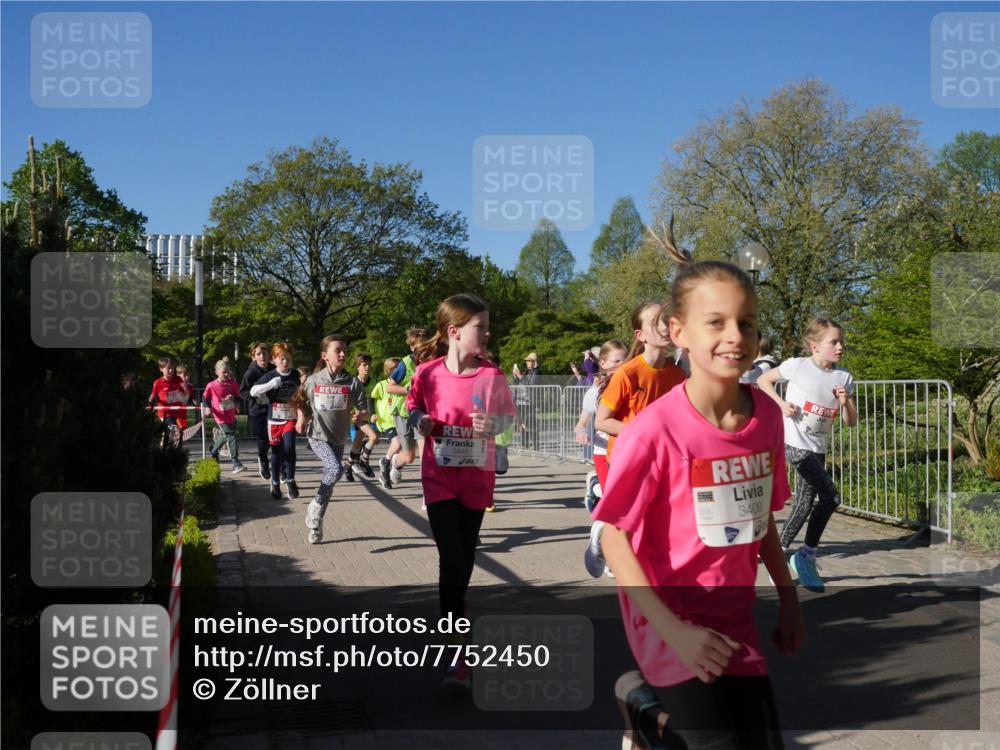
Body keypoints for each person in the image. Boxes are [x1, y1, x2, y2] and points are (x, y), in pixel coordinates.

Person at [597, 260, 804, 750]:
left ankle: (646, 711)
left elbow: (761, 519)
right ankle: (643, 704)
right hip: (667, 617)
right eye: (716, 322)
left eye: (746, 322)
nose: (735, 335)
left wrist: (789, 598)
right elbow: (613, 535)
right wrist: (673, 630)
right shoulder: (654, 431)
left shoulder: (767, 418)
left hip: (734, 615)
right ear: (678, 332)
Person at [406, 294, 515, 691]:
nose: (486, 333)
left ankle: (458, 611)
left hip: (476, 480)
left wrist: (494, 426)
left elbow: (507, 423)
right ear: (455, 332)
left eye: (486, 327)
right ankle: (457, 652)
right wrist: (421, 421)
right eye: (479, 327)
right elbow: (412, 407)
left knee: (464, 559)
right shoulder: (428, 373)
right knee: (450, 558)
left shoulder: (492, 376)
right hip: (439, 477)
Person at [756, 319, 857, 593]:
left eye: (841, 342)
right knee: (831, 497)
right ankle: (806, 556)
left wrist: (846, 402)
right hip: (793, 444)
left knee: (802, 503)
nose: (840, 347)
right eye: (833, 342)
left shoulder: (844, 377)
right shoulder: (797, 366)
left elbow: (851, 422)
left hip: (817, 447)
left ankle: (778, 557)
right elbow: (763, 380)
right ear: (815, 346)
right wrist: (780, 404)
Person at [587, 303, 686, 578]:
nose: (665, 326)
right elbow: (601, 421)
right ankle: (603, 537)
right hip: (626, 460)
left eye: (666, 319)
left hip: (660, 462)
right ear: (640, 335)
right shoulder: (628, 373)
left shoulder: (677, 374)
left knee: (656, 530)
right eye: (656, 322)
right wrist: (640, 432)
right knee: (629, 527)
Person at [295, 335, 370, 544]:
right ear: (325, 355)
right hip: (318, 436)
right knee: (335, 469)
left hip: (338, 439)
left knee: (330, 480)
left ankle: (316, 524)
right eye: (338, 350)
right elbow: (299, 401)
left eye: (345, 350)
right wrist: (301, 419)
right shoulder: (314, 380)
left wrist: (361, 415)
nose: (343, 354)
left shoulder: (352, 383)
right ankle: (315, 507)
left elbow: (365, 409)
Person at [573, 339, 628, 514]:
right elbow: (581, 423)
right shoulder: (595, 392)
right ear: (603, 363)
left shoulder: (634, 386)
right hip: (604, 451)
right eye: (617, 361)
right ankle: (596, 486)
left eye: (626, 360)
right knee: (612, 497)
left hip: (628, 449)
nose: (622, 365)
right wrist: (581, 432)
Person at [250, 343, 302, 500]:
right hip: (274, 420)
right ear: (274, 360)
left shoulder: (295, 375)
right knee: (277, 452)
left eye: (288, 359)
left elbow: (301, 395)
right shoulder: (270, 375)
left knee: (289, 446)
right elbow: (253, 391)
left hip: (290, 418)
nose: (285, 362)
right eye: (281, 359)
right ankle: (274, 483)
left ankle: (291, 480)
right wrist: (271, 385)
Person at [381, 327, 431, 489]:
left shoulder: (433, 362)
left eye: (425, 345)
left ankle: (427, 494)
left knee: (426, 455)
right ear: (412, 347)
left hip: (422, 413)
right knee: (409, 457)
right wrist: (408, 390)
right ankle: (395, 462)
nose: (423, 349)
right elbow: (389, 388)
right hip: (403, 413)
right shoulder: (405, 363)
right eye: (419, 346)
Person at [202, 360, 245, 473]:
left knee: (225, 435)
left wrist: (235, 401)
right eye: (224, 372)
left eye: (228, 372)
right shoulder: (211, 385)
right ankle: (235, 462)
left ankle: (214, 450)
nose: (226, 374)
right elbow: (205, 398)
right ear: (217, 372)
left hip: (230, 413)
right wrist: (207, 407)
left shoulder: (233, 384)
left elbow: (238, 396)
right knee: (231, 435)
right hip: (219, 416)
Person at [342, 353, 379, 482]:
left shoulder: (373, 382)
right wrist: (353, 414)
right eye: (364, 365)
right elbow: (347, 401)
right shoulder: (352, 382)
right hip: (357, 417)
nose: (367, 367)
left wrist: (375, 413)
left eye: (369, 365)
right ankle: (364, 461)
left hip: (368, 416)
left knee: (357, 444)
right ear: (357, 366)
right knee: (373, 437)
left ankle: (347, 466)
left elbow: (375, 399)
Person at [240, 343, 275, 481]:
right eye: (259, 354)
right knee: (263, 439)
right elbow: (243, 392)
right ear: (253, 356)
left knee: (277, 439)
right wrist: (256, 394)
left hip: (273, 409)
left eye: (265, 353)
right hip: (258, 410)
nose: (262, 357)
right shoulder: (251, 372)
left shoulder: (273, 369)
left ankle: (282, 466)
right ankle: (263, 459)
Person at [370, 358, 403, 489]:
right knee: (397, 443)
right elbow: (371, 398)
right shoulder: (382, 385)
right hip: (387, 421)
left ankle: (393, 466)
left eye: (400, 369)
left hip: (402, 420)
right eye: (395, 369)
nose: (398, 371)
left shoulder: (403, 385)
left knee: (403, 449)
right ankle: (385, 463)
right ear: (388, 371)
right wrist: (372, 413)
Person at [512, 352, 542, 450]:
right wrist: (515, 376)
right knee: (522, 422)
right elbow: (517, 383)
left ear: (534, 362)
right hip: (520, 400)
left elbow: (531, 384)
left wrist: (519, 375)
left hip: (530, 400)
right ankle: (525, 443)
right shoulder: (526, 371)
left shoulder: (537, 372)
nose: (527, 362)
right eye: (527, 361)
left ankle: (536, 445)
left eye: (529, 361)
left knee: (531, 422)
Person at [148, 357, 188, 427]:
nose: (171, 370)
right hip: (165, 413)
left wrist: (185, 390)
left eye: (172, 368)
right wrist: (150, 402)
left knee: (166, 434)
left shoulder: (178, 379)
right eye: (168, 368)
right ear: (161, 369)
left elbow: (186, 394)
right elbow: (152, 396)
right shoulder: (158, 382)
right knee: (174, 429)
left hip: (175, 412)